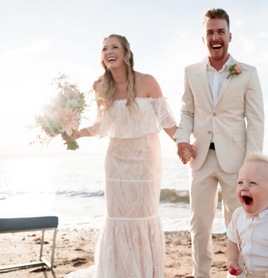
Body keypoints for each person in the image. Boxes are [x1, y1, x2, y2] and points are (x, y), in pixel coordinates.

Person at [64, 34, 178, 278]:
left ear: (126, 53)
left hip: (146, 160)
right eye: (104, 48)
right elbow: (99, 125)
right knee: (117, 217)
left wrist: (184, 144)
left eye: (114, 47)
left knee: (144, 214)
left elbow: (167, 121)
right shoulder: (100, 87)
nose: (108, 51)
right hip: (116, 162)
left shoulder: (148, 81)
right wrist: (77, 134)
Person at [173, 8, 264, 278]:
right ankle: (200, 275)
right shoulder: (190, 72)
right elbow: (187, 112)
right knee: (199, 225)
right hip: (199, 159)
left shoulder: (247, 72)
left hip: (237, 163)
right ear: (203, 39)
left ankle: (239, 274)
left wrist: (252, 164)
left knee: (238, 224)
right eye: (210, 32)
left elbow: (256, 121)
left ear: (229, 36)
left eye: (220, 31)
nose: (216, 36)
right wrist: (181, 140)